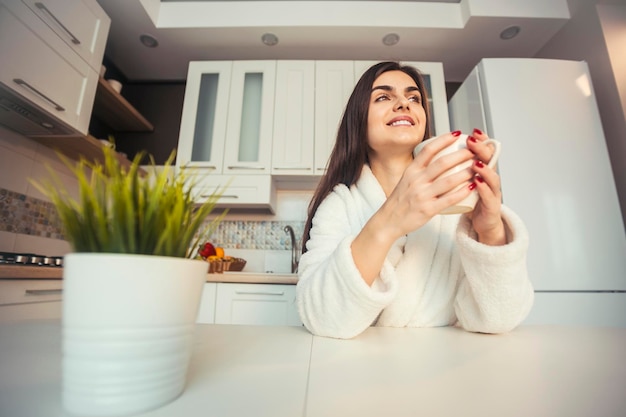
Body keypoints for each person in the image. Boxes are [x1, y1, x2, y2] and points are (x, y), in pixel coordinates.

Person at [296, 61, 534, 339]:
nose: (403, 104)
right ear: (358, 120)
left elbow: (498, 318)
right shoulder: (340, 205)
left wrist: (491, 231)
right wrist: (387, 224)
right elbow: (321, 317)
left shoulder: (456, 203)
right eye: (384, 96)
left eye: (414, 98)